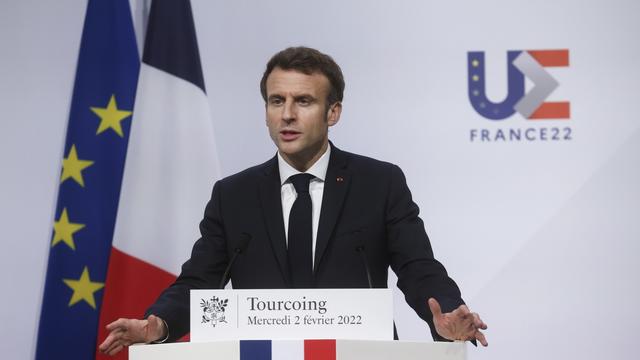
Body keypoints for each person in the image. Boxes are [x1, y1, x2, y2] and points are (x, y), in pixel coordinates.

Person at [99, 46, 488, 356]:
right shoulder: (234, 194)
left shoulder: (379, 183)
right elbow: (200, 281)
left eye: (303, 101)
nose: (287, 115)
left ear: (332, 112)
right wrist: (159, 325)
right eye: (275, 101)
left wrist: (448, 315)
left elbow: (418, 267)